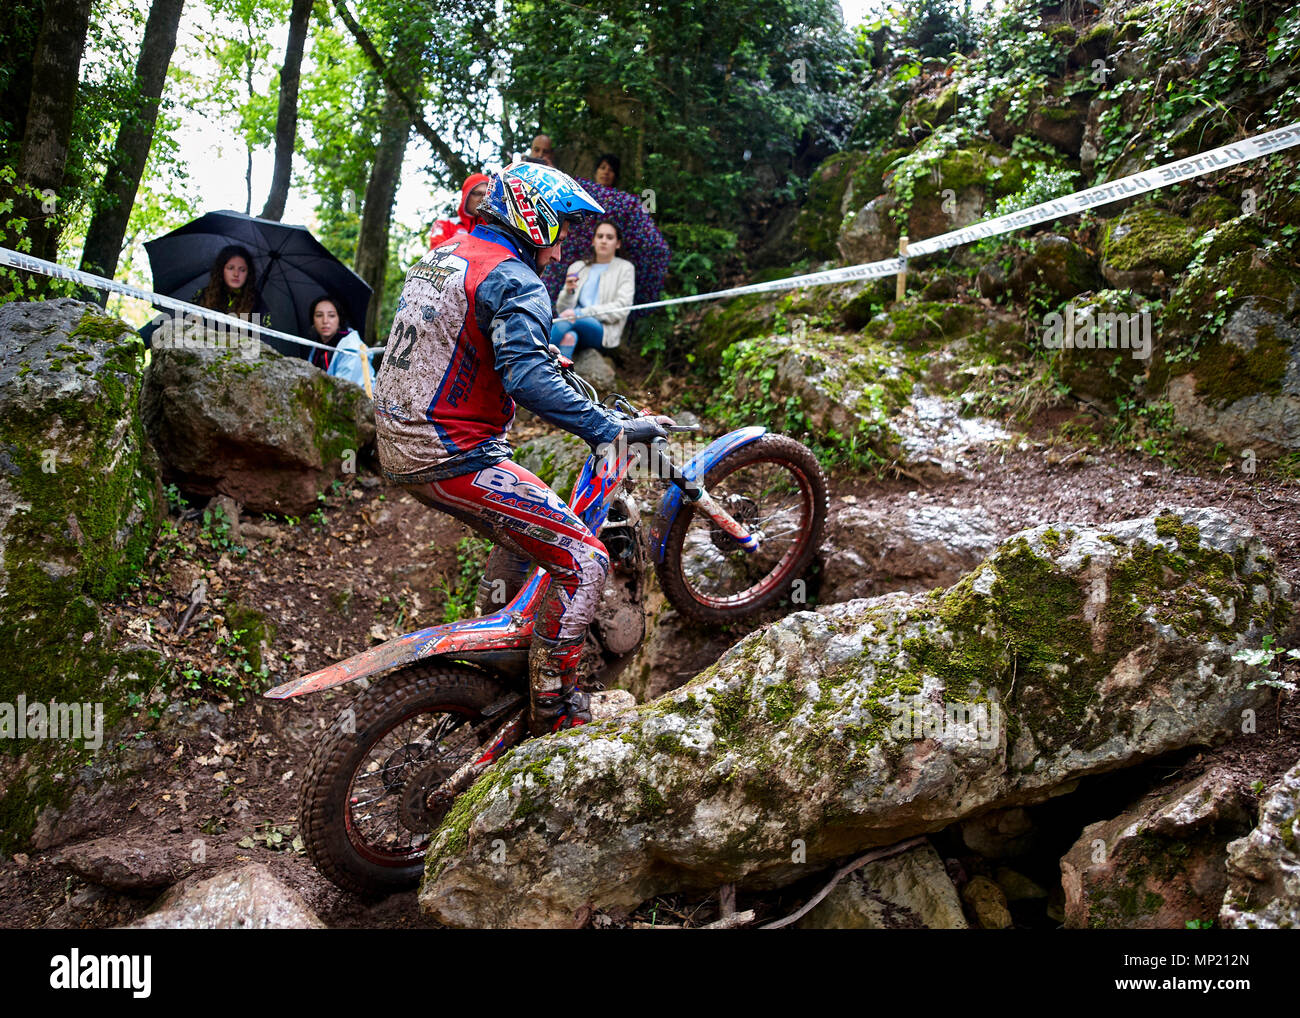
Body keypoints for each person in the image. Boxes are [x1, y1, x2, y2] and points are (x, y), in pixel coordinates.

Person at [372, 161, 671, 738]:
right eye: (556, 231)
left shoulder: (446, 254)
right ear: (531, 221)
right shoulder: (514, 277)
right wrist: (605, 427)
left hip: (402, 436)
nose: (559, 253)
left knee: (532, 531)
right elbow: (528, 379)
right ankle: (554, 707)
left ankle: (507, 645)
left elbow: (461, 338)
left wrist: (532, 353)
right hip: (450, 452)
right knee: (585, 562)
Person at [550, 220, 635, 357]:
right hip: (572, 321)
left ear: (618, 244)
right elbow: (562, 310)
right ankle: (560, 377)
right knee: (569, 337)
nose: (604, 241)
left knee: (569, 317)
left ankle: (535, 357)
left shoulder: (625, 268)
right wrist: (569, 292)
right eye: (600, 236)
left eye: (609, 237)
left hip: (603, 331)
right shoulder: (578, 267)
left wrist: (581, 313)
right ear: (593, 241)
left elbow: (622, 307)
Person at [307, 295, 375, 389]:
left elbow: (343, 390)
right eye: (319, 315)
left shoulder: (351, 349)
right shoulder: (317, 347)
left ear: (339, 319)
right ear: (313, 320)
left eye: (331, 315)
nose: (325, 321)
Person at [428, 173, 489, 250]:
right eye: (478, 194)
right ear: (466, 196)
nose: (483, 199)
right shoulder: (445, 224)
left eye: (487, 195)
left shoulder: (495, 228)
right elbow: (437, 255)